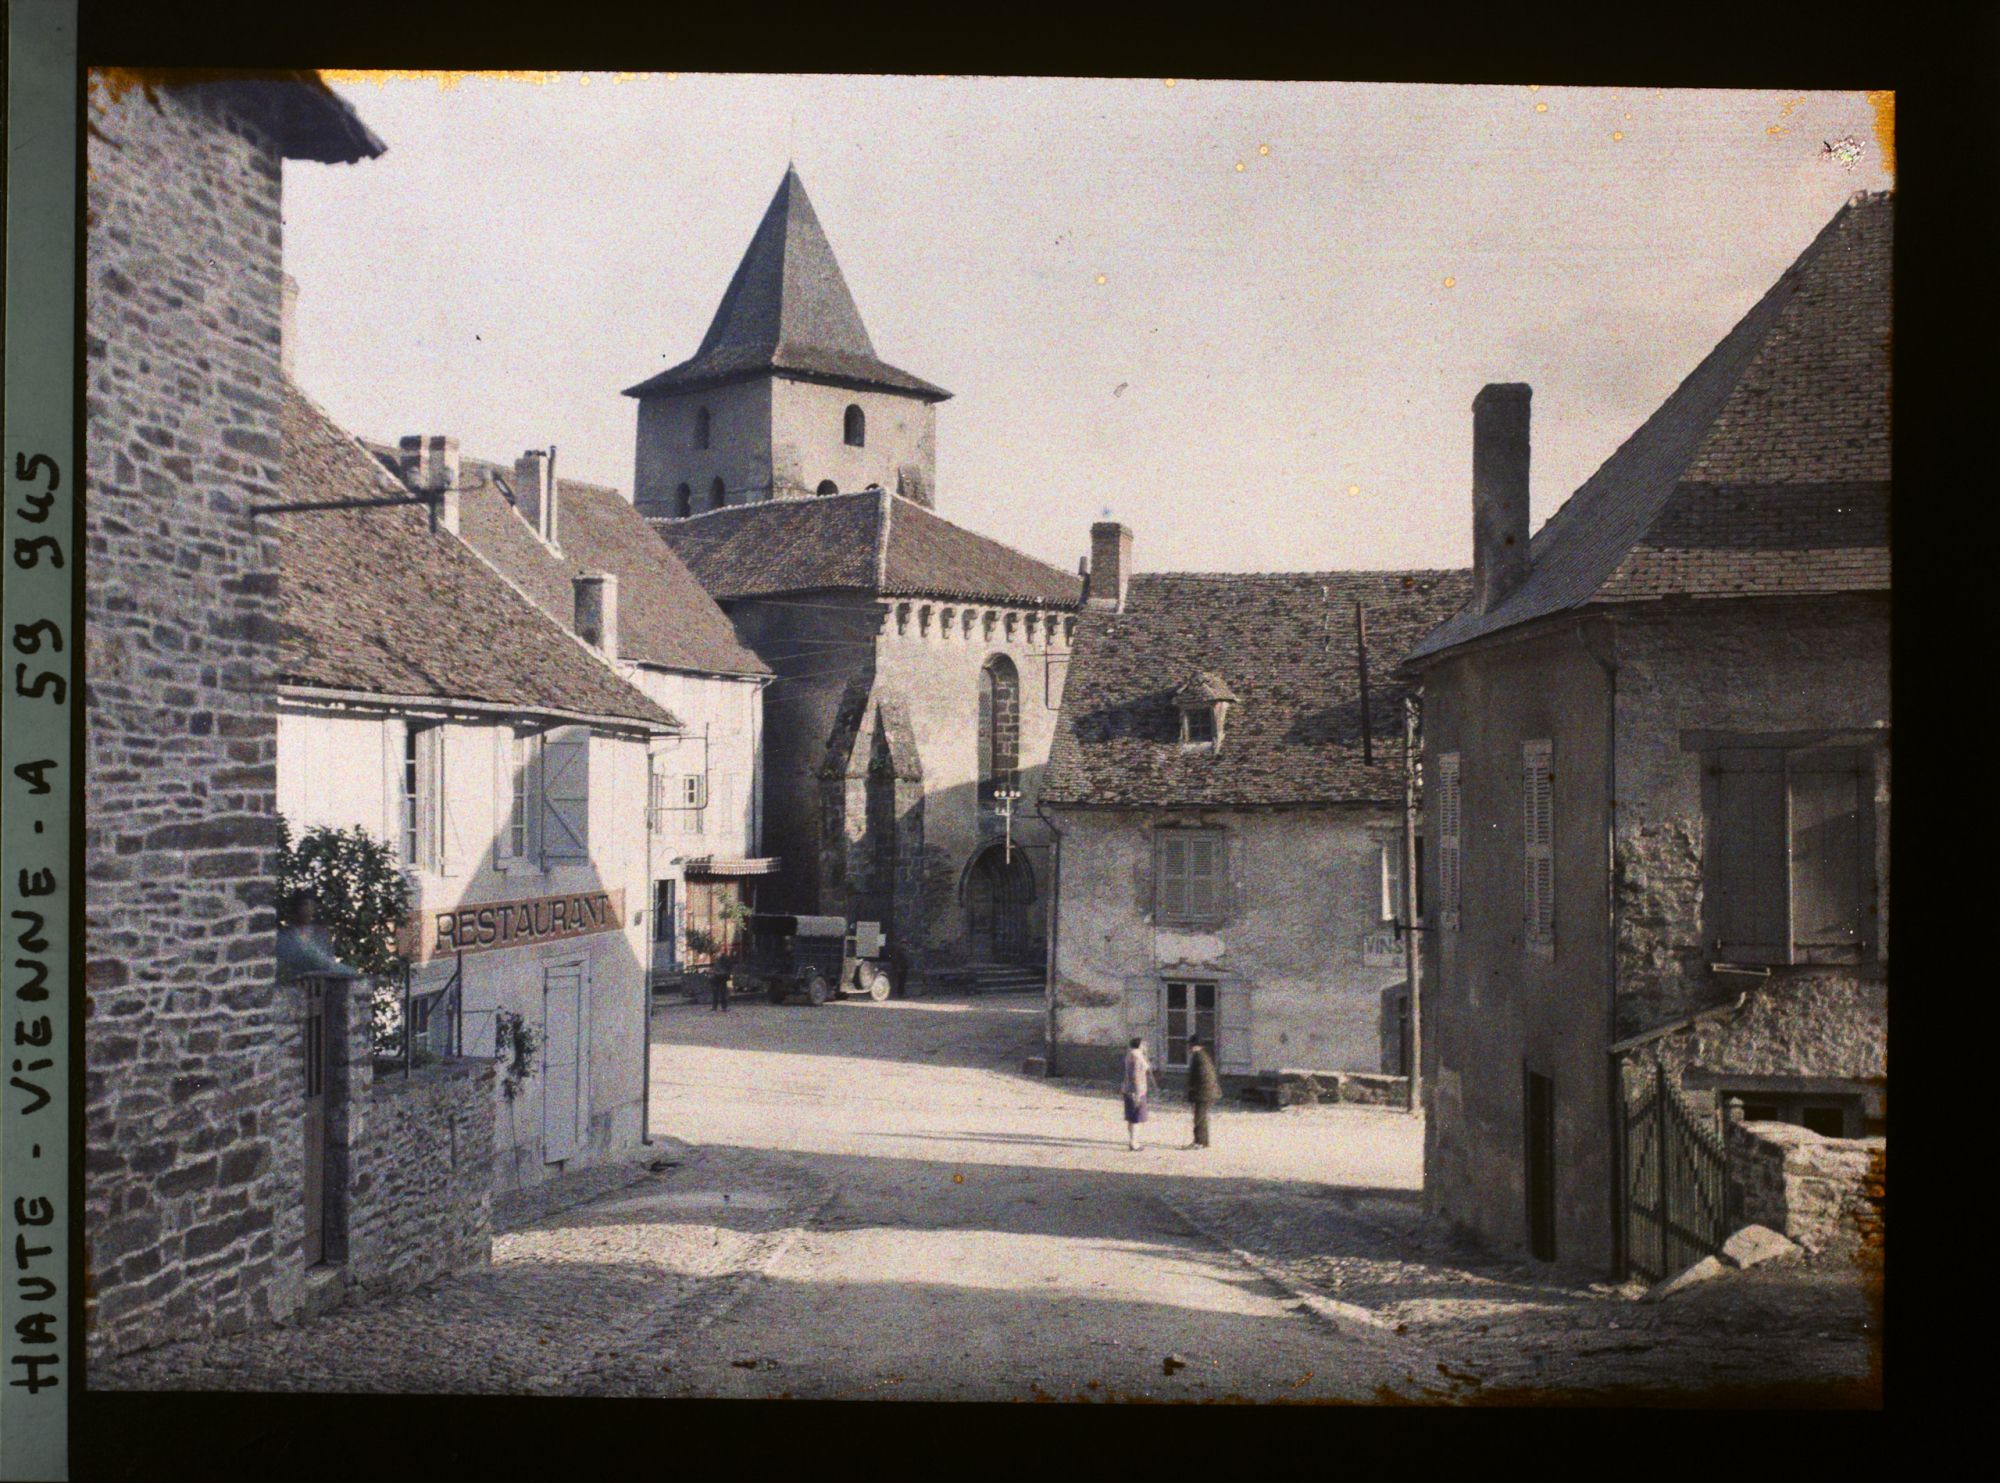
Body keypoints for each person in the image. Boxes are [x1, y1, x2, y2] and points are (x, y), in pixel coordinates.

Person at [1186, 1036, 1222, 1149]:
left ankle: (1199, 1142)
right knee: (1202, 1117)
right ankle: (1203, 1142)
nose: (1189, 1048)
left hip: (1203, 1092)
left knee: (1199, 1117)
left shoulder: (1197, 1057)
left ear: (1193, 1045)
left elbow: (1198, 1076)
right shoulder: (1204, 1056)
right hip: (1208, 1091)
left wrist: (1191, 1089)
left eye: (1190, 1045)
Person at [1120, 1036, 1155, 1150]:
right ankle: (1134, 1143)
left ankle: (1133, 1141)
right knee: (1136, 1118)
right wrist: (1138, 1093)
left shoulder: (1132, 1055)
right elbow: (1135, 1076)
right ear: (1139, 1045)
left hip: (1130, 1089)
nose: (1146, 1046)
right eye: (1144, 1044)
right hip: (1136, 1090)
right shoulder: (1136, 1057)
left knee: (1132, 1118)